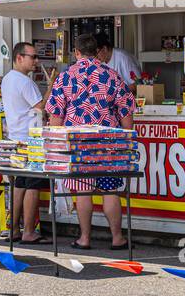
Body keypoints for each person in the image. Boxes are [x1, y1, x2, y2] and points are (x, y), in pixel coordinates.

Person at [46, 32, 136, 250]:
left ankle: (85, 238)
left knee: (82, 191)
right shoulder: (112, 75)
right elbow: (126, 114)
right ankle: (117, 238)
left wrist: (56, 148)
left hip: (78, 145)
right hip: (108, 144)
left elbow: (55, 117)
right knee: (110, 191)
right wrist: (126, 141)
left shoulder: (65, 77)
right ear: (97, 51)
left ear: (76, 52)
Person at [1, 41, 49, 244]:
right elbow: (42, 109)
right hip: (31, 141)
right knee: (32, 185)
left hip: (15, 138)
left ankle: (13, 229)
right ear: (19, 57)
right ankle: (29, 231)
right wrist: (51, 90)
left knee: (19, 184)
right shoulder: (24, 82)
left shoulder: (7, 79)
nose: (36, 61)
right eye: (32, 57)